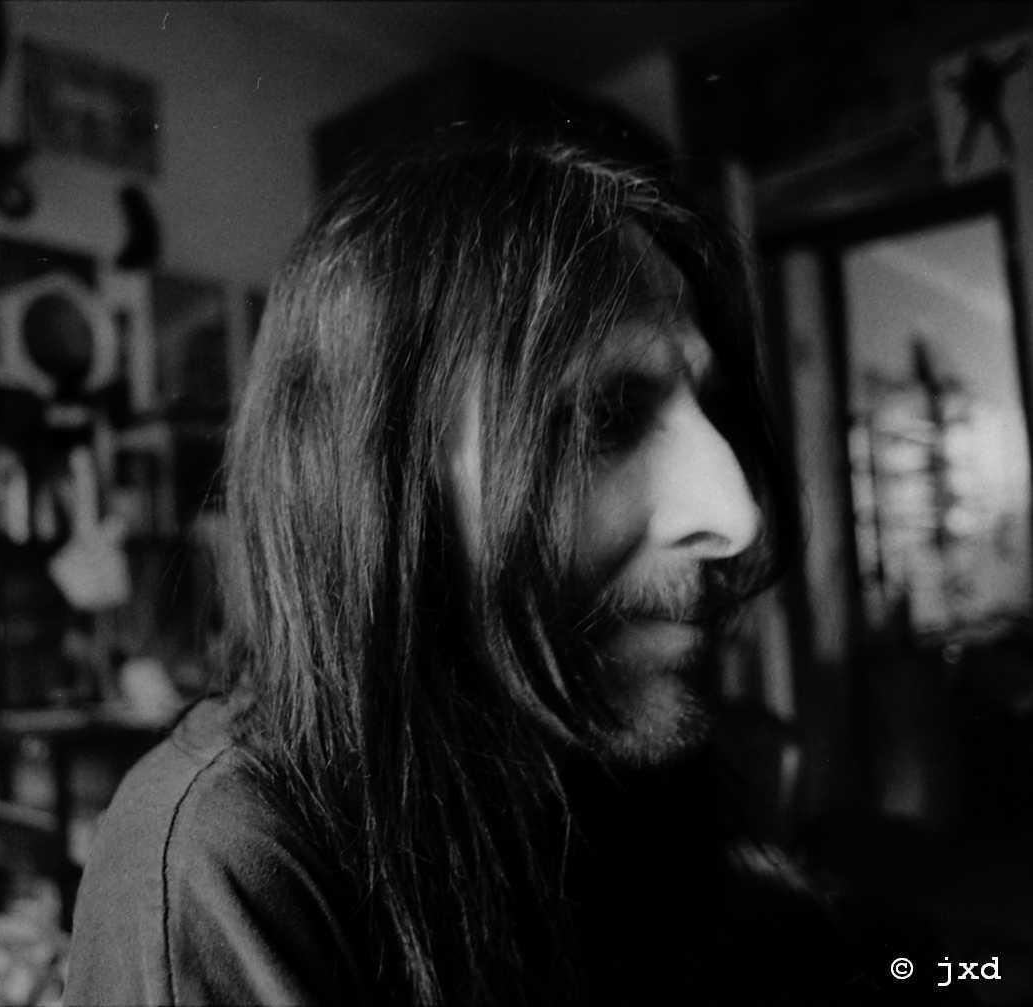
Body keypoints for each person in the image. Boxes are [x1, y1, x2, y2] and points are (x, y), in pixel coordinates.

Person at [65, 134, 872, 1005]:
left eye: (707, 407)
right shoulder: (226, 855)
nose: (737, 513)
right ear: (384, 479)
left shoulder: (606, 763)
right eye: (605, 415)